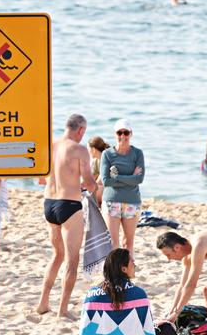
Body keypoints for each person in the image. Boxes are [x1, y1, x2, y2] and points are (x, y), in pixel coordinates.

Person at [36, 114, 97, 317]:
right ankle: (62, 309)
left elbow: (41, 179)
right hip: (69, 205)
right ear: (80, 130)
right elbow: (88, 182)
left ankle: (43, 302)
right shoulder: (80, 150)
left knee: (56, 255)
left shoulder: (50, 145)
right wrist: (93, 185)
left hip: (49, 204)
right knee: (72, 260)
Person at [100, 119, 145, 257]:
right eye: (120, 133)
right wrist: (130, 177)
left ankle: (128, 273)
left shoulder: (137, 153)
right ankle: (114, 276)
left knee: (128, 243)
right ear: (115, 134)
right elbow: (106, 181)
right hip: (111, 202)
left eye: (126, 133)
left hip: (132, 202)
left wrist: (117, 177)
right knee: (113, 243)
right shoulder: (107, 154)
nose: (123, 136)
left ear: (131, 134)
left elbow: (139, 179)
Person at [88, 136, 109, 206]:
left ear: (93, 149)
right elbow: (91, 178)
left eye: (89, 149)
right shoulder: (96, 160)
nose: (88, 152)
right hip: (105, 189)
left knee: (94, 190)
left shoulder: (107, 158)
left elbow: (100, 181)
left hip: (115, 190)